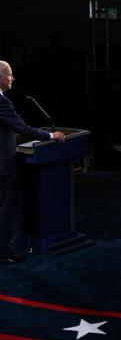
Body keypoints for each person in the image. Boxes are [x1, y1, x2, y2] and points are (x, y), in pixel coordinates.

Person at [0, 60, 65, 265]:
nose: (13, 78)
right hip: (2, 165)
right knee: (4, 209)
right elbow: (24, 129)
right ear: (1, 77)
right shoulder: (2, 102)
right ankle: (3, 254)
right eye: (10, 74)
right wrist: (50, 135)